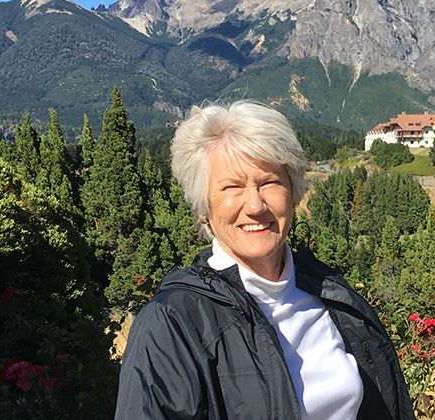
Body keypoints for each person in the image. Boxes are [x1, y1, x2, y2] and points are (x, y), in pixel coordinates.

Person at [116, 101, 415, 420]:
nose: (255, 205)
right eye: (232, 187)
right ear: (204, 206)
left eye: (270, 182)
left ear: (293, 191)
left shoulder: (336, 300)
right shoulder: (173, 324)